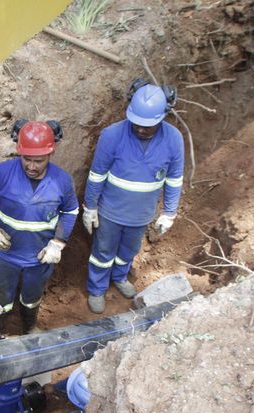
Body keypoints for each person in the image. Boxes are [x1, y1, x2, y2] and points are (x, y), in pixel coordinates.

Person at [82, 80, 185, 314]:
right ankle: (97, 288)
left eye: (148, 125)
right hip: (111, 211)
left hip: (141, 214)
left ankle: (119, 277)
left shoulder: (174, 139)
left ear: (163, 117)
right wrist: (90, 207)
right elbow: (97, 175)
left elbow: (174, 180)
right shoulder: (112, 135)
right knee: (103, 252)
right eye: (137, 123)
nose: (140, 129)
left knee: (128, 250)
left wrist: (169, 212)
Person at [0, 120, 79, 339]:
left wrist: (58, 243)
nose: (31, 166)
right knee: (1, 298)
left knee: (32, 296)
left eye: (38, 161)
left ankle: (29, 328)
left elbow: (70, 212)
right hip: (6, 256)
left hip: (39, 257)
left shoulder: (62, 180)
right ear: (19, 153)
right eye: (26, 159)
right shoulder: (2, 172)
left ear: (51, 154)